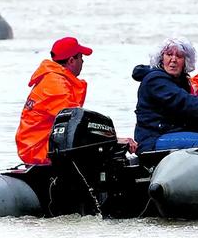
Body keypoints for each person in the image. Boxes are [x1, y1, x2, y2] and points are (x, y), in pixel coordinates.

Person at [15, 36, 136, 165]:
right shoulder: (55, 85)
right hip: (39, 150)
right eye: (81, 57)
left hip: (39, 146)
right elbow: (76, 127)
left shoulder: (53, 79)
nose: (83, 61)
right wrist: (116, 140)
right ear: (72, 60)